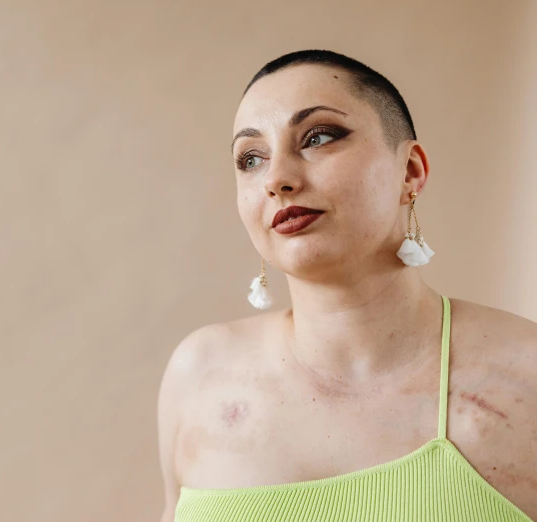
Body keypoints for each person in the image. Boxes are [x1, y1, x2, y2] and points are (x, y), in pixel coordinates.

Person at [157, 50, 537, 522]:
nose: (277, 179)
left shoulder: (526, 379)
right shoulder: (199, 375)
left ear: (410, 171)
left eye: (318, 137)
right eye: (250, 158)